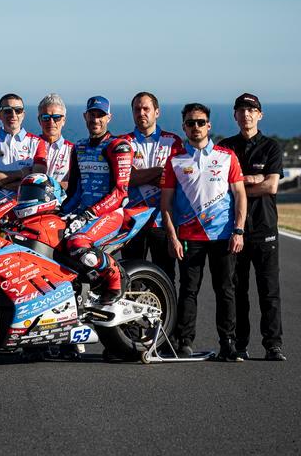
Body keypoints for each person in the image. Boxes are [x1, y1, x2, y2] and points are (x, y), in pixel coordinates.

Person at [161, 103, 247, 362]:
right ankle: (184, 341)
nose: (195, 127)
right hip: (189, 237)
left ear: (209, 125)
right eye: (190, 123)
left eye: (200, 122)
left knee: (225, 290)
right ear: (184, 127)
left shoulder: (227, 156)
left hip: (223, 236)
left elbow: (240, 195)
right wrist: (172, 236)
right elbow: (166, 204)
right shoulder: (175, 160)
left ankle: (228, 343)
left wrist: (238, 230)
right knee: (188, 290)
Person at [218, 93, 286, 361]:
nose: (246, 114)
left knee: (269, 291)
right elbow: (220, 187)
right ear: (234, 115)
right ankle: (240, 344)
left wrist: (239, 186)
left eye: (251, 110)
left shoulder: (271, 147)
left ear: (260, 115)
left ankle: (273, 345)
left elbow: (271, 186)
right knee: (237, 291)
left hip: (264, 228)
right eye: (241, 110)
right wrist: (251, 179)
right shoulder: (225, 148)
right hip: (234, 229)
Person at [60, 96, 134, 305]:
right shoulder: (79, 147)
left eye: (100, 115)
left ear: (109, 117)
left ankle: (116, 277)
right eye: (92, 114)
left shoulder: (119, 146)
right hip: (82, 213)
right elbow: (75, 190)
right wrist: (60, 213)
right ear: (85, 116)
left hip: (110, 213)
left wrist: (89, 213)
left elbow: (120, 192)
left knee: (78, 243)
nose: (96, 119)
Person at [120, 92, 184, 283]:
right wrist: (160, 171)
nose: (141, 113)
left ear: (157, 112)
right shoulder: (123, 142)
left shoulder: (173, 141)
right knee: (131, 278)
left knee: (165, 277)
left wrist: (142, 176)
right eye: (137, 109)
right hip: (132, 222)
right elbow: (128, 178)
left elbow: (177, 180)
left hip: (162, 221)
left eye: (146, 108)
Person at [0, 93, 46, 195]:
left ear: (23, 114)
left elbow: (37, 181)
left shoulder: (38, 142)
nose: (13, 115)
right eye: (7, 110)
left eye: (18, 110)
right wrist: (21, 173)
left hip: (25, 202)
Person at [37, 93, 73, 191]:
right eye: (45, 117)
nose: (51, 122)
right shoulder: (30, 146)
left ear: (64, 120)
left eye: (56, 117)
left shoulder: (73, 150)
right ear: (39, 120)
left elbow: (76, 183)